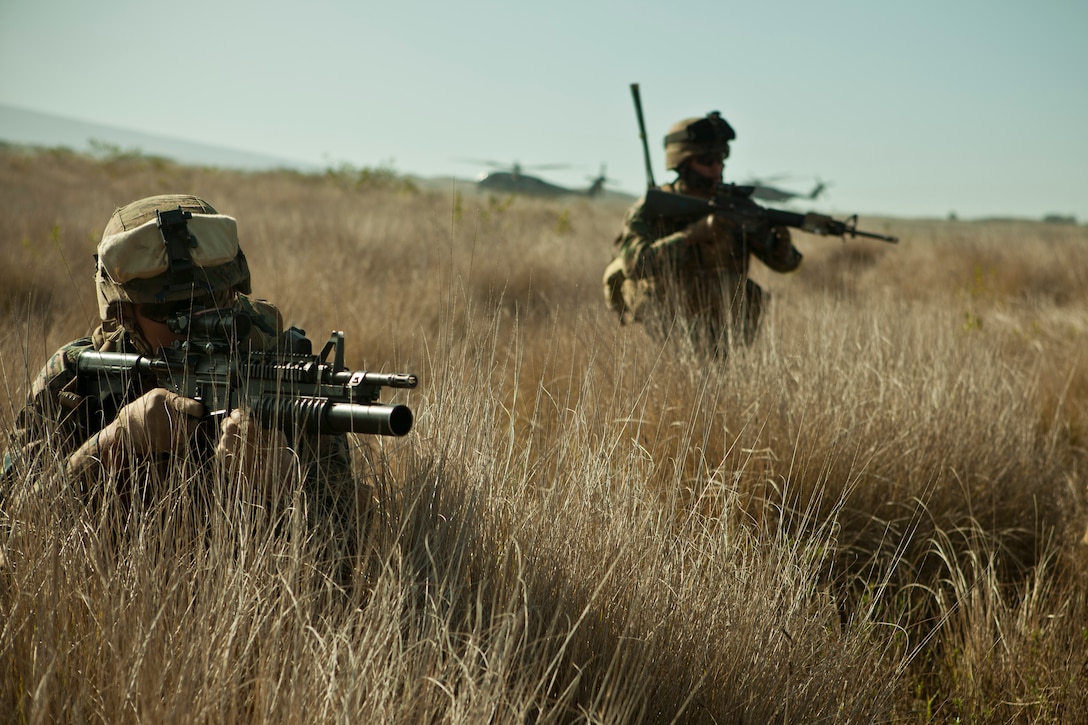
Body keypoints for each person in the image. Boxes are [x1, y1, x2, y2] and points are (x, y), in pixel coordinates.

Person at [2, 194, 362, 569]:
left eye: (213, 299)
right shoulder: (75, 378)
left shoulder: (286, 380)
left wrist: (282, 488)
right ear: (124, 314)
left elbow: (342, 564)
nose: (193, 322)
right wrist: (116, 442)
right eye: (170, 311)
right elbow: (13, 528)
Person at [603, 111, 803, 356]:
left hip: (728, 336)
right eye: (707, 161)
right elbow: (635, 264)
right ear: (683, 163)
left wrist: (779, 244)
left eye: (720, 161)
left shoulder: (734, 207)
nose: (716, 168)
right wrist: (690, 236)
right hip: (666, 338)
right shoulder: (654, 208)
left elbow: (786, 265)